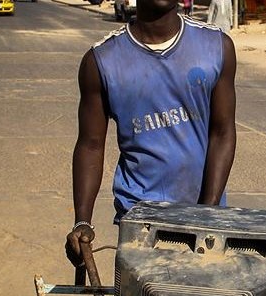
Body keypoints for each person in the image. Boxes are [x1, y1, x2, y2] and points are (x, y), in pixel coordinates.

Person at [65, 0, 237, 263]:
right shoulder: (101, 61)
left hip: (206, 219)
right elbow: (90, 145)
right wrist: (82, 221)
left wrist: (206, 213)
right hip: (139, 222)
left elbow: (222, 132)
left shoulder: (216, 47)